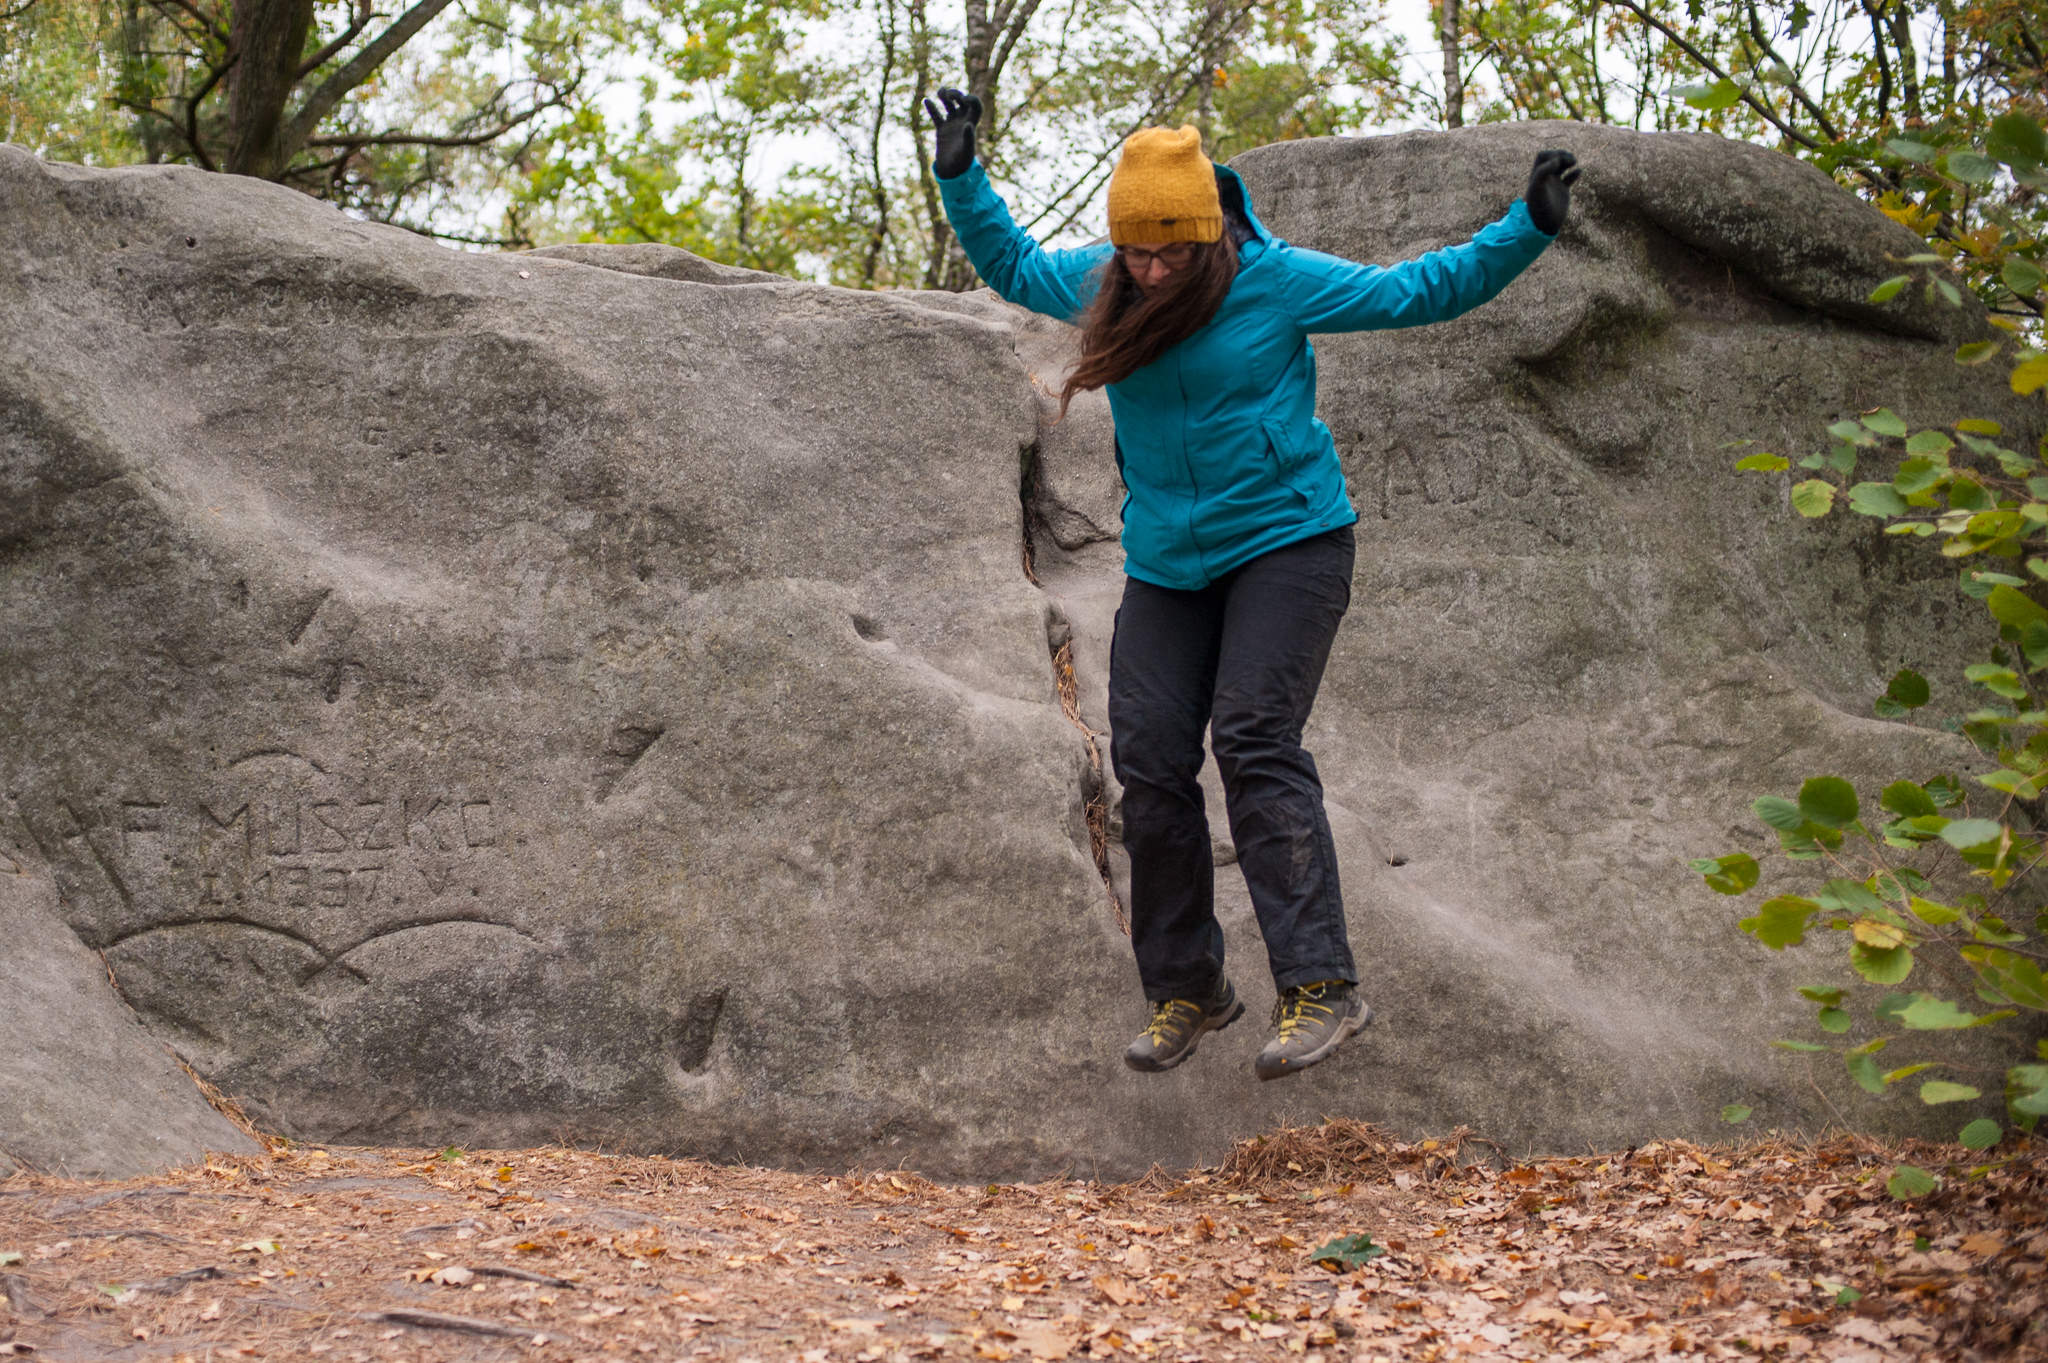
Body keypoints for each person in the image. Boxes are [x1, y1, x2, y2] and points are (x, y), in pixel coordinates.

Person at [924, 88, 1578, 1081]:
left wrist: (1522, 227)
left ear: (1206, 236)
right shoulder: (1105, 284)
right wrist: (960, 173)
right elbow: (1011, 261)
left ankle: (1321, 988)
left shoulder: (1273, 284)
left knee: (1252, 739)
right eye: (1133, 253)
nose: (1148, 272)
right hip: (1169, 567)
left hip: (1288, 545)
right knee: (1146, 760)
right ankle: (1187, 986)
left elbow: (1417, 291)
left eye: (1167, 254)